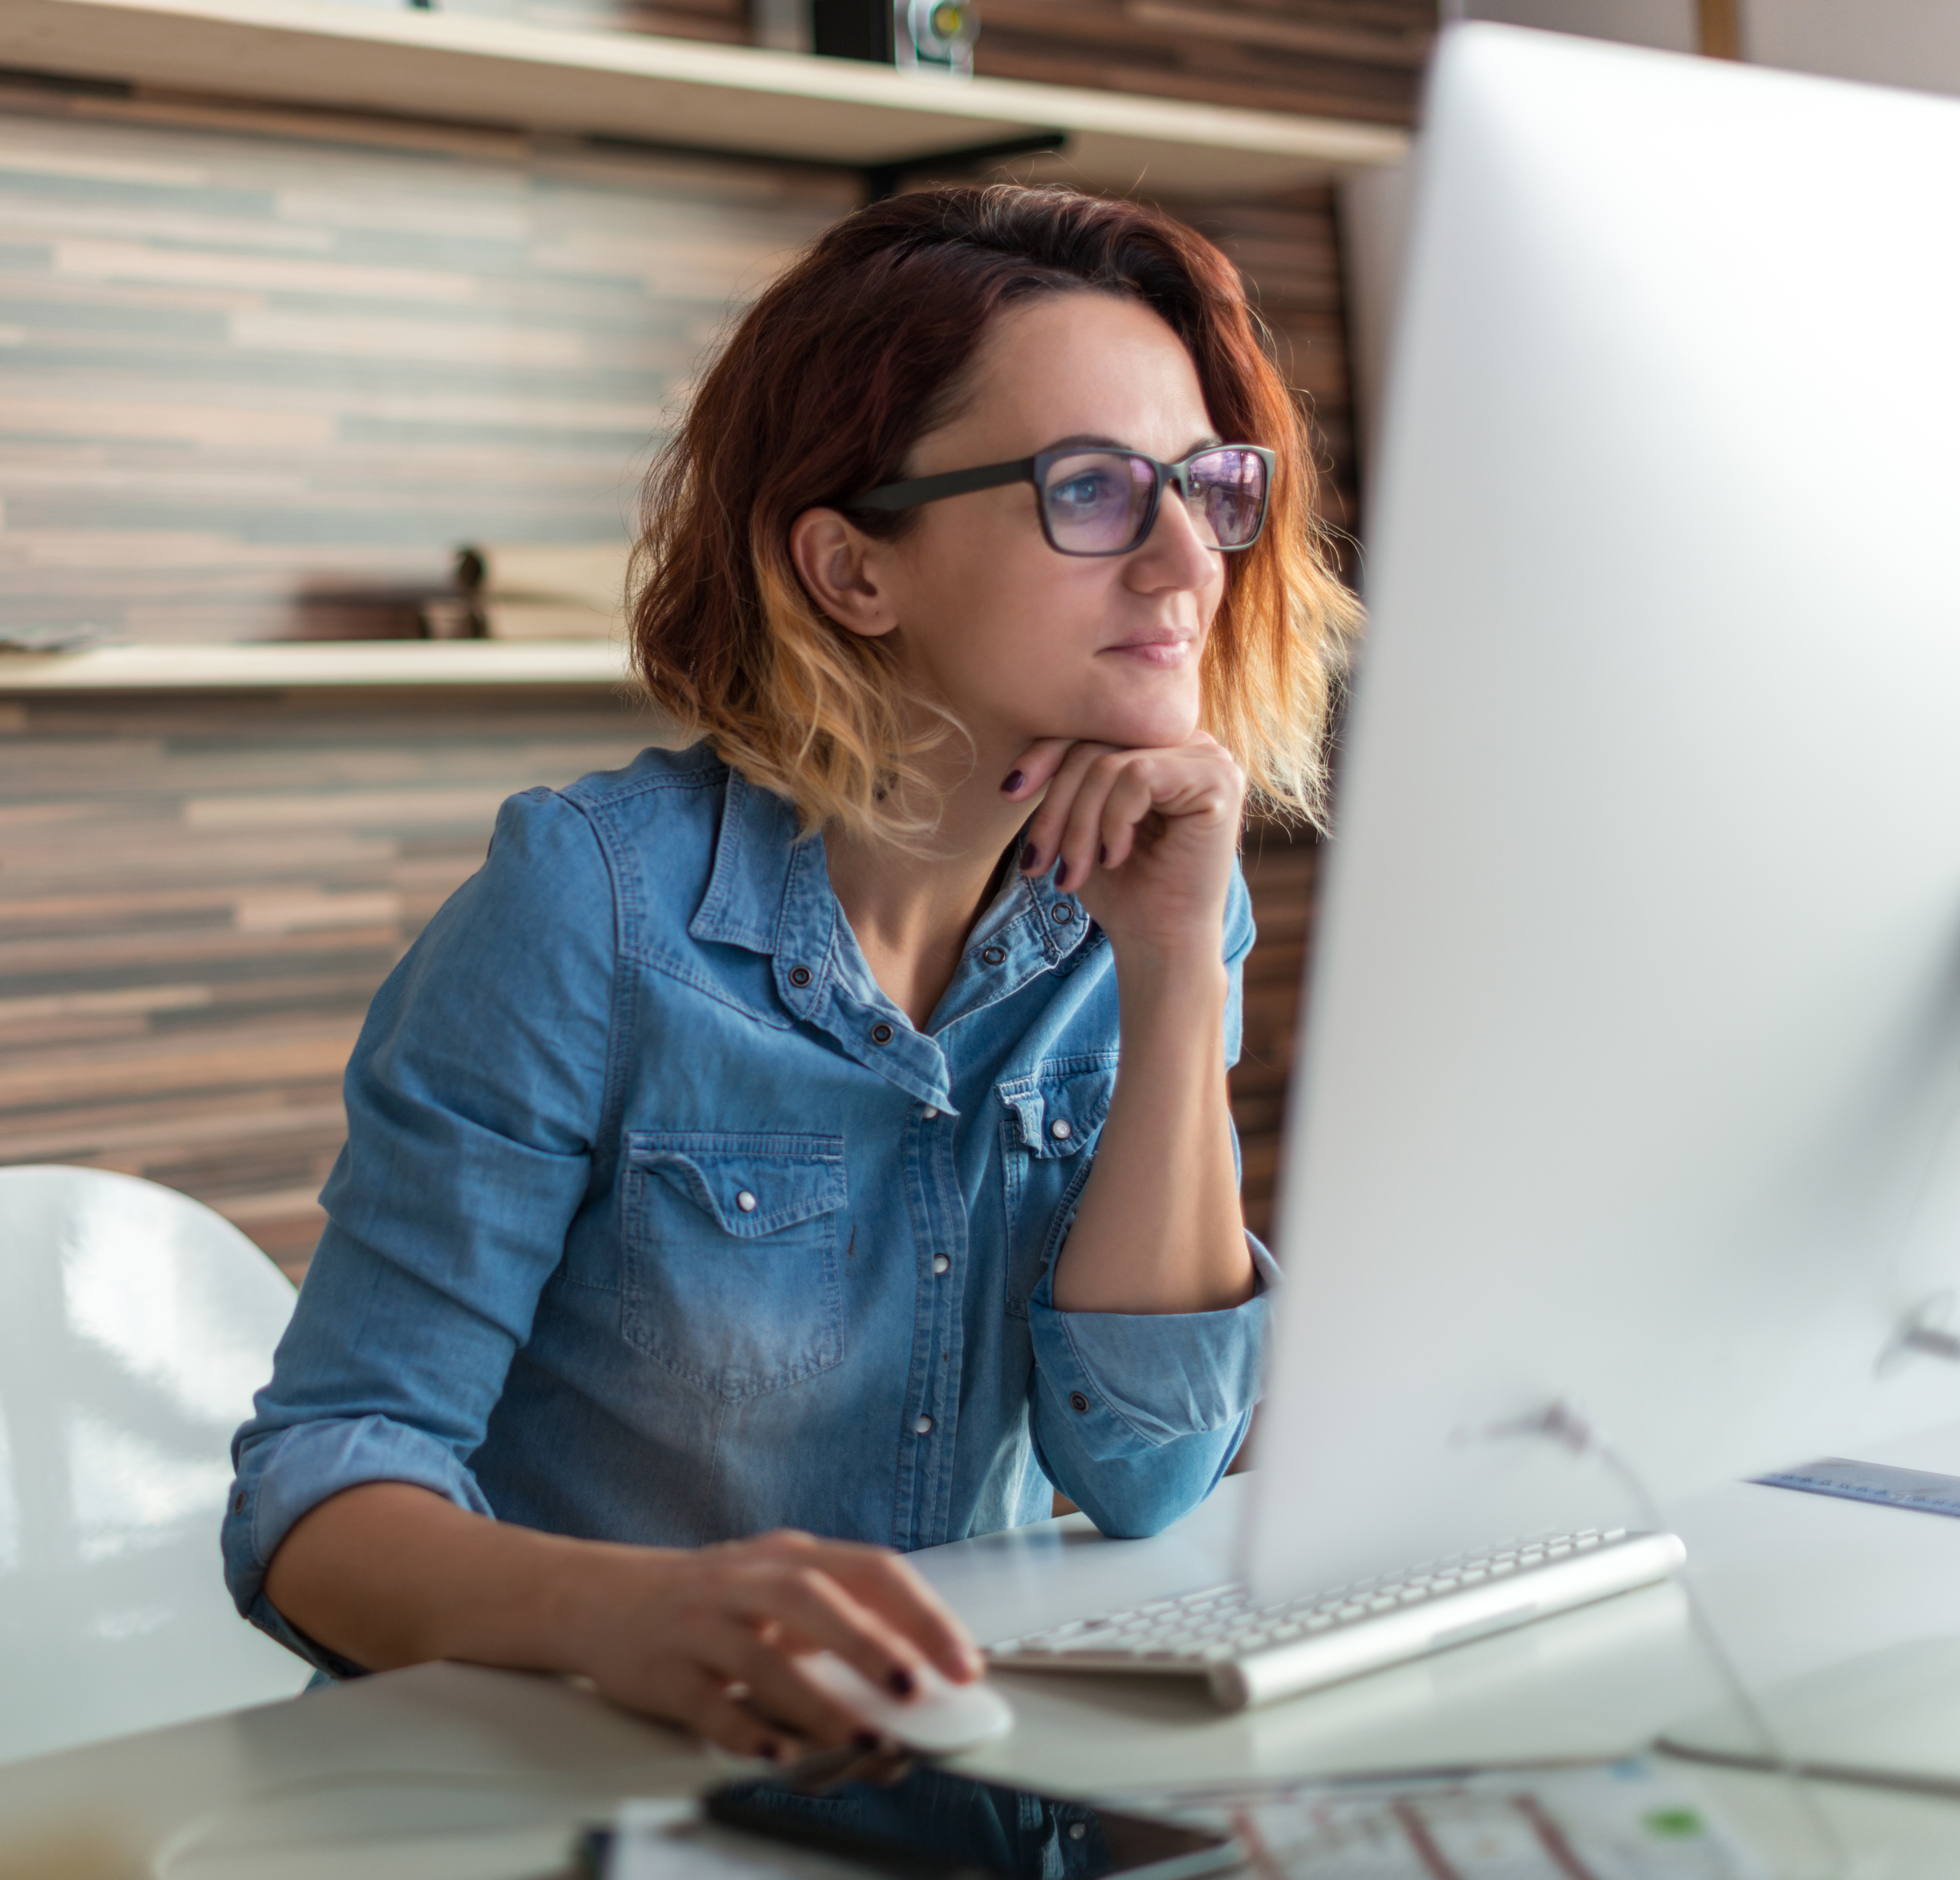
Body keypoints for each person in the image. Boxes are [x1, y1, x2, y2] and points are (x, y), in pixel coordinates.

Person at [223, 184, 1359, 1760]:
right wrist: (628, 1615)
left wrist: (1173, 969)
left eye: (1205, 485)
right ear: (850, 568)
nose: (1186, 560)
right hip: (545, 1789)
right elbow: (319, 1487)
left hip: (932, 1775)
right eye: (1093, 490)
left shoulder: (1155, 901)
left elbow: (1151, 1473)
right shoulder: (590, 905)